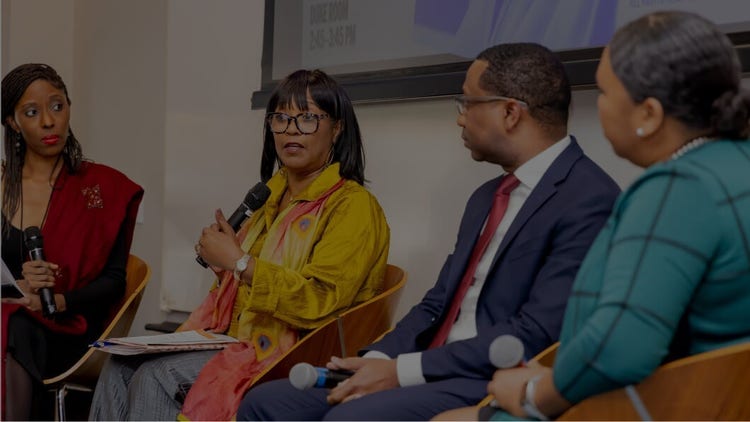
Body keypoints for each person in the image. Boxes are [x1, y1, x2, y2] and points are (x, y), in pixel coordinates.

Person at [238, 43, 620, 421]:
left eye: (468, 104)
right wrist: (377, 360)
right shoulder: (486, 197)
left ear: (509, 112)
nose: (460, 118)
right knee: (266, 402)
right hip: (427, 367)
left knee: (349, 419)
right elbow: (438, 305)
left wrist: (403, 371)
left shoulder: (587, 198)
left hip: (488, 377)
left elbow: (536, 331)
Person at [441, 11, 750, 421]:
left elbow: (620, 351)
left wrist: (535, 391)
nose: (599, 108)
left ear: (649, 115)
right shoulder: (735, 165)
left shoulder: (675, 190)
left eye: (604, 92)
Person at [89, 68, 390, 421]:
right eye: (281, 118)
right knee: (118, 365)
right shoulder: (269, 197)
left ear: (336, 128)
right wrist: (227, 268)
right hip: (240, 339)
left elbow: (319, 300)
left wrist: (241, 263)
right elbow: (249, 287)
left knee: (157, 376)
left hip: (297, 352)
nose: (291, 129)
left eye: (308, 118)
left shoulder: (352, 206)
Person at [1, 63, 144, 420]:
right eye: (32, 112)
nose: (49, 121)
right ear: (13, 123)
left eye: (57, 106)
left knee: (15, 326)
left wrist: (56, 300)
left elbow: (114, 282)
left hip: (68, 330)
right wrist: (18, 290)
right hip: (8, 313)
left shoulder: (103, 188)